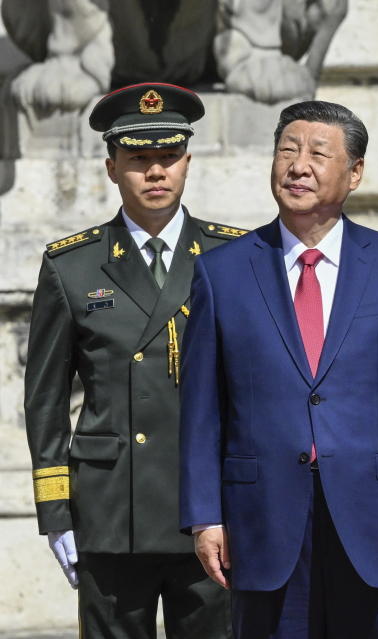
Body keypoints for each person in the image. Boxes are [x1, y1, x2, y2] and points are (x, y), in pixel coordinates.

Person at [179, 100, 378, 638]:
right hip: (262, 520)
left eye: (317, 153)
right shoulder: (222, 273)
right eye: (287, 150)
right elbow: (201, 411)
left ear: (355, 173)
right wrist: (205, 516)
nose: (298, 166)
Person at [23, 82, 240, 638]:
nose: (156, 172)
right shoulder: (72, 266)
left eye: (168, 157)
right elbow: (45, 402)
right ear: (111, 167)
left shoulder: (233, 257)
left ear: (188, 162)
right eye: (139, 159)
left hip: (209, 509)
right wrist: (56, 513)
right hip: (113, 511)